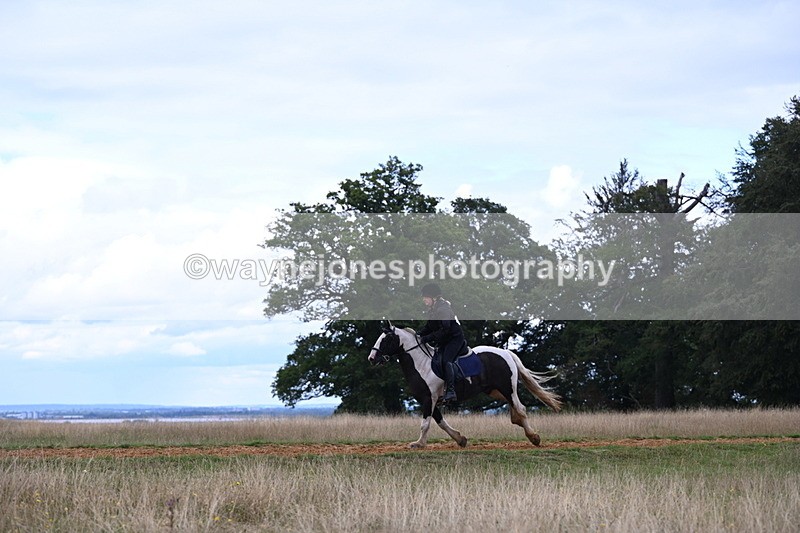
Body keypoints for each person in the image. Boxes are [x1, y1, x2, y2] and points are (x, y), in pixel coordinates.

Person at [417, 283, 468, 406]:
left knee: (446, 361)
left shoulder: (443, 309)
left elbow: (446, 329)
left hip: (455, 339)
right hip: (446, 339)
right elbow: (429, 326)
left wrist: (428, 338)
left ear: (433, 298)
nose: (424, 299)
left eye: (426, 297)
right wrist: (418, 335)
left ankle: (451, 391)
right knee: (436, 360)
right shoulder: (434, 309)